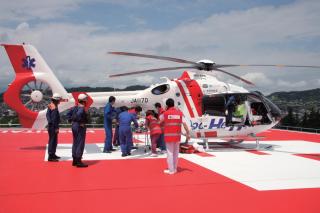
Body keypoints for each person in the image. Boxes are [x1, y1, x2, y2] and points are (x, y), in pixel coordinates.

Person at [160, 98, 190, 175]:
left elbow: (159, 121)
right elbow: (185, 124)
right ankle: (175, 168)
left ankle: (171, 170)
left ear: (167, 105)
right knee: (176, 153)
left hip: (169, 137)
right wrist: (187, 133)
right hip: (177, 136)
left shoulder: (165, 114)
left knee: (170, 153)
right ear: (173, 104)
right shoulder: (179, 113)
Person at [70, 94, 89, 168]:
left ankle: (74, 160)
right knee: (80, 143)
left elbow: (69, 115)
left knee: (75, 142)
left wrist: (72, 120)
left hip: (74, 125)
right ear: (84, 100)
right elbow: (78, 115)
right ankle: (78, 161)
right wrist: (80, 122)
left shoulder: (75, 107)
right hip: (79, 126)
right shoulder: (81, 108)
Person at [46, 93, 62, 162]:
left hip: (50, 126)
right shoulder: (54, 107)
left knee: (53, 141)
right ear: (56, 100)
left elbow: (47, 115)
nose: (60, 101)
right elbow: (54, 119)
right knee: (53, 141)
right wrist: (56, 127)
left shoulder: (50, 105)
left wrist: (50, 123)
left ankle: (53, 154)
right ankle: (51, 156)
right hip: (53, 127)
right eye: (59, 100)